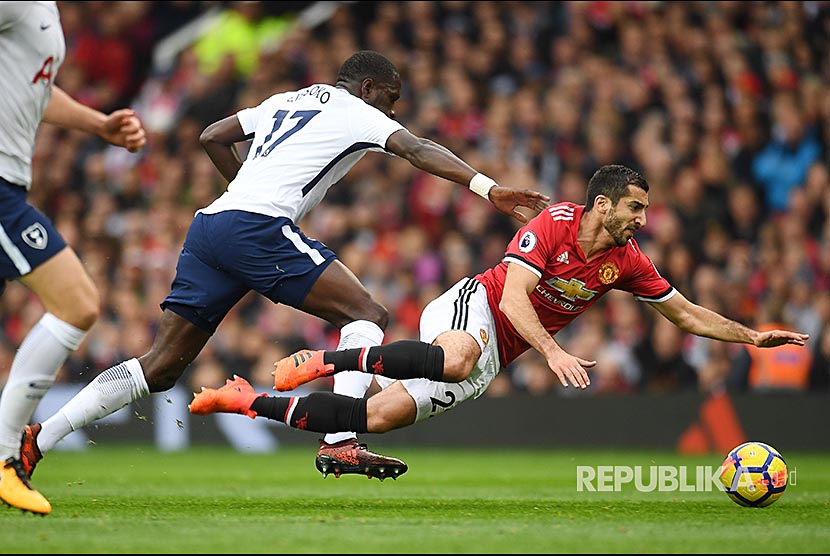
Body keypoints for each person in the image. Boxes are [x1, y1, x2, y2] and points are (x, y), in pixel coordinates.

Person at [18, 50, 549, 489]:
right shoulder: (355, 110)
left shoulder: (286, 100)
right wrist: (489, 188)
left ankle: (37, 440)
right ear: (369, 87)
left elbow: (211, 135)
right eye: (391, 101)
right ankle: (341, 441)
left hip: (212, 226)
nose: (392, 113)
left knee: (160, 367)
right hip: (255, 227)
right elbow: (415, 147)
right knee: (365, 311)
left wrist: (243, 188)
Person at [189, 164, 809, 478]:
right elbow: (513, 299)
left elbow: (685, 314)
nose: (641, 220)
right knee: (457, 355)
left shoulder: (627, 261)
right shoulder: (554, 224)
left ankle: (244, 402)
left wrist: (752, 336)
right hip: (474, 308)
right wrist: (554, 353)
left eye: (644, 211)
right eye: (635, 208)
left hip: (496, 356)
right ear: (603, 203)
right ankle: (329, 360)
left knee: (371, 418)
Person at [0, 1, 146, 514]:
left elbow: (31, 87)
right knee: (77, 303)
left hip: (12, 185)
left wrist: (98, 124)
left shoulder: (42, 11)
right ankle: (3, 458)